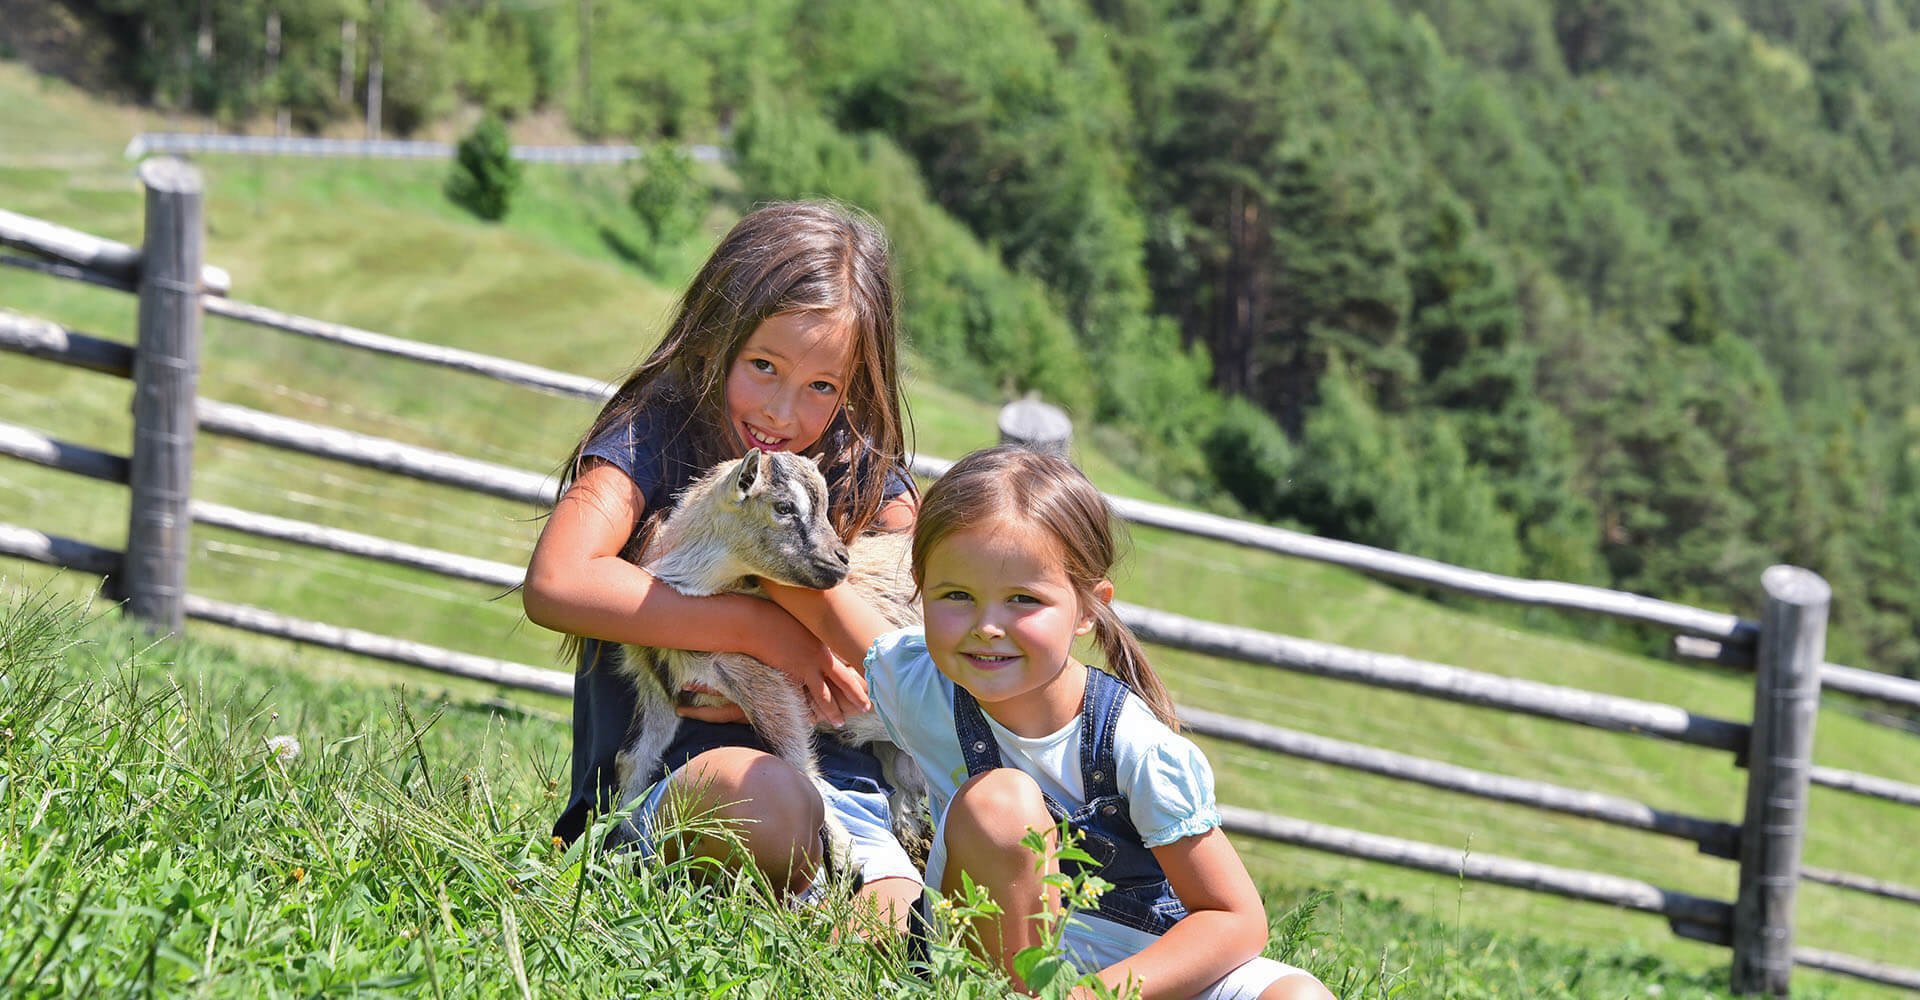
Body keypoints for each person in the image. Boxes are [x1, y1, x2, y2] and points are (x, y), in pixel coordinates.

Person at [763, 446, 1334, 999]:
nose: (987, 626)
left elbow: (1233, 918)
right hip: (988, 951)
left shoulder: (1135, 745)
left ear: (1089, 606)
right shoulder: (923, 683)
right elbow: (805, 588)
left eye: (1022, 600)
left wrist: (1092, 995)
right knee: (999, 803)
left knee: (1300, 995)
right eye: (957, 595)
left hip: (1142, 969)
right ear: (920, 588)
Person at [523, 201, 923, 931]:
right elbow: (557, 581)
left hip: (850, 796)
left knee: (903, 930)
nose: (781, 411)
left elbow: (910, 651)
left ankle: (841, 904)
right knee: (772, 808)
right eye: (763, 366)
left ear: (857, 383)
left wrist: (791, 611)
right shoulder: (659, 431)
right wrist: (756, 630)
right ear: (716, 342)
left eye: (822, 387)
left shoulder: (863, 472)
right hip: (670, 781)